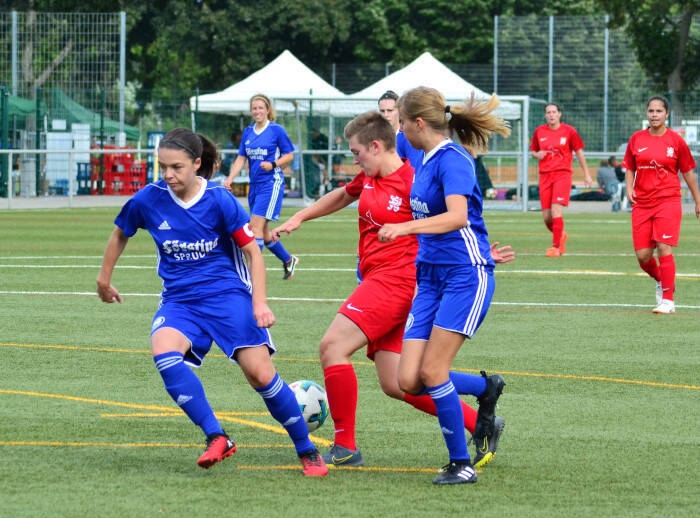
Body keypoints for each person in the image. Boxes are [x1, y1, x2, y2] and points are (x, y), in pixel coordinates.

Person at [273, 111, 513, 471]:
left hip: (397, 282)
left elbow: (452, 217)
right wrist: (300, 217)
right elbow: (342, 195)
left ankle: (345, 446)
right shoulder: (370, 178)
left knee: (332, 346)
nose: (354, 160)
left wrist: (478, 255)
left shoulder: (413, 180)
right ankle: (481, 415)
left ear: (375, 146)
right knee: (397, 382)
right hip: (380, 280)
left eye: (356, 152)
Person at [96, 127, 328, 477]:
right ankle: (217, 436)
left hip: (227, 297)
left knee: (260, 375)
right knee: (164, 353)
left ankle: (306, 449)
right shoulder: (148, 199)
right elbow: (120, 233)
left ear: (196, 163)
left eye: (176, 167)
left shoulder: (219, 200)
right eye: (163, 167)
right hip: (180, 301)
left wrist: (259, 303)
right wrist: (104, 279)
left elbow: (253, 252)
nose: (168, 174)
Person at [377, 87, 512, 485]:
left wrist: (405, 227)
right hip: (431, 277)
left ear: (419, 123)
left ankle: (460, 464)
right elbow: (386, 140)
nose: (399, 128)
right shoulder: (419, 150)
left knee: (434, 371)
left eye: (402, 121)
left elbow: (457, 217)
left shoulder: (454, 160)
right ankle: (485, 388)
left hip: (464, 276)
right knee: (407, 380)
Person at [621, 95, 700, 314]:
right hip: (642, 203)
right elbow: (629, 167)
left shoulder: (676, 141)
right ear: (647, 113)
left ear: (667, 114)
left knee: (664, 246)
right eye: (651, 111)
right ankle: (661, 280)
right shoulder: (637, 138)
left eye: (658, 111)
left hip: (668, 200)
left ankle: (668, 300)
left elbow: (688, 173)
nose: (654, 115)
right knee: (643, 256)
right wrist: (629, 188)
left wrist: (697, 199)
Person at [224, 94, 298, 280]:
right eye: (254, 108)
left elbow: (289, 155)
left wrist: (273, 164)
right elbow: (241, 157)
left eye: (260, 108)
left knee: (254, 228)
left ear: (267, 110)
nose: (257, 111)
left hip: (271, 183)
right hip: (255, 185)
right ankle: (288, 260)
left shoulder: (276, 130)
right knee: (264, 234)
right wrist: (230, 178)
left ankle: (249, 276)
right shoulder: (248, 132)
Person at [530, 102, 593, 257]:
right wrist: (537, 154)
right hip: (545, 176)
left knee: (556, 210)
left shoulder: (569, 131)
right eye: (548, 112)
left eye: (554, 112)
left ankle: (556, 248)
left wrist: (587, 174)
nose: (551, 115)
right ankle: (560, 235)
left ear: (559, 114)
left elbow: (579, 153)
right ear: (545, 115)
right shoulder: (539, 131)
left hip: (562, 175)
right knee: (547, 217)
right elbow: (533, 151)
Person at [378, 89, 423, 168]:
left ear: (399, 111)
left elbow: (414, 169)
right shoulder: (377, 137)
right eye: (382, 111)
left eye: (390, 110)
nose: (385, 115)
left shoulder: (408, 137)